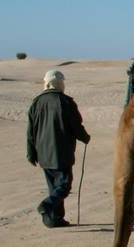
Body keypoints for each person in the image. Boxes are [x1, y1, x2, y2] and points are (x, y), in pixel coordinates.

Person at [27, 69, 91, 228]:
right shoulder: (65, 102)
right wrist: (85, 137)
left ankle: (53, 220)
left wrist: (31, 153)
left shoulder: (36, 102)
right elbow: (76, 125)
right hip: (61, 152)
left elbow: (30, 131)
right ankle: (47, 205)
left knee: (54, 187)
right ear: (60, 83)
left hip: (43, 153)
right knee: (64, 185)